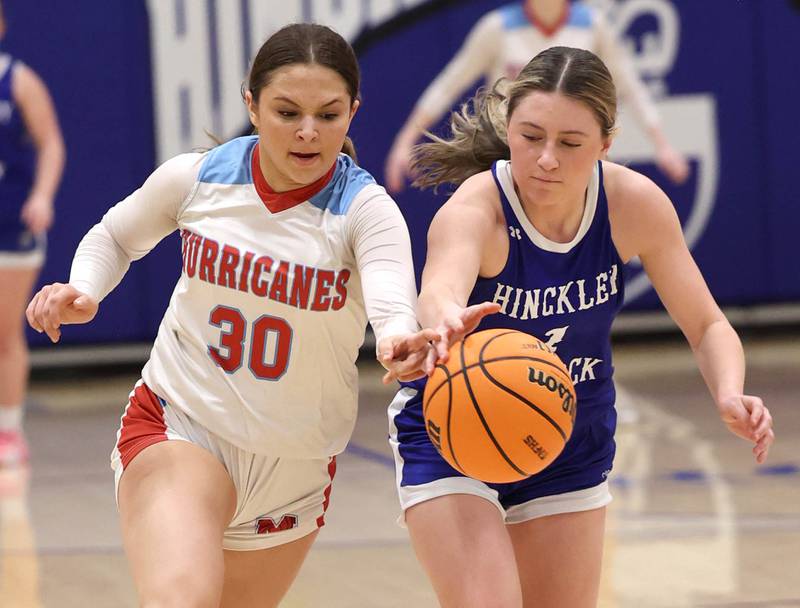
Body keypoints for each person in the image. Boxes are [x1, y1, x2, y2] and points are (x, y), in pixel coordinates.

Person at [26, 23, 437, 607]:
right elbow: (114, 236)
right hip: (181, 423)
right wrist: (85, 288)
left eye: (328, 114)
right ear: (251, 103)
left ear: (353, 112)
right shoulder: (198, 178)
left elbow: (394, 303)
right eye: (286, 111)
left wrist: (399, 340)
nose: (306, 131)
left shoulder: (366, 211)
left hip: (294, 463)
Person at [388, 46, 774, 608]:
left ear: (606, 144)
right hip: (452, 428)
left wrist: (729, 390)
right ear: (510, 127)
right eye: (529, 137)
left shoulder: (633, 205)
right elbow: (439, 289)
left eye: (569, 144)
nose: (545, 159)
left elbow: (707, 323)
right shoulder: (479, 208)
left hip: (567, 434)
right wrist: (444, 318)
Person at [385, 0, 688, 193]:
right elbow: (448, 84)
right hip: (508, 154)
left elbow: (629, 83)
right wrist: (404, 140)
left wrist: (661, 143)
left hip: (573, 160)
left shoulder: (593, 25)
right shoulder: (497, 28)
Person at [0, 0, 65, 467]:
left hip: (10, 227)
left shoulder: (18, 81)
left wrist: (42, 195)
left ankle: (8, 431)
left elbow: (51, 143)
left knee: (5, 334)